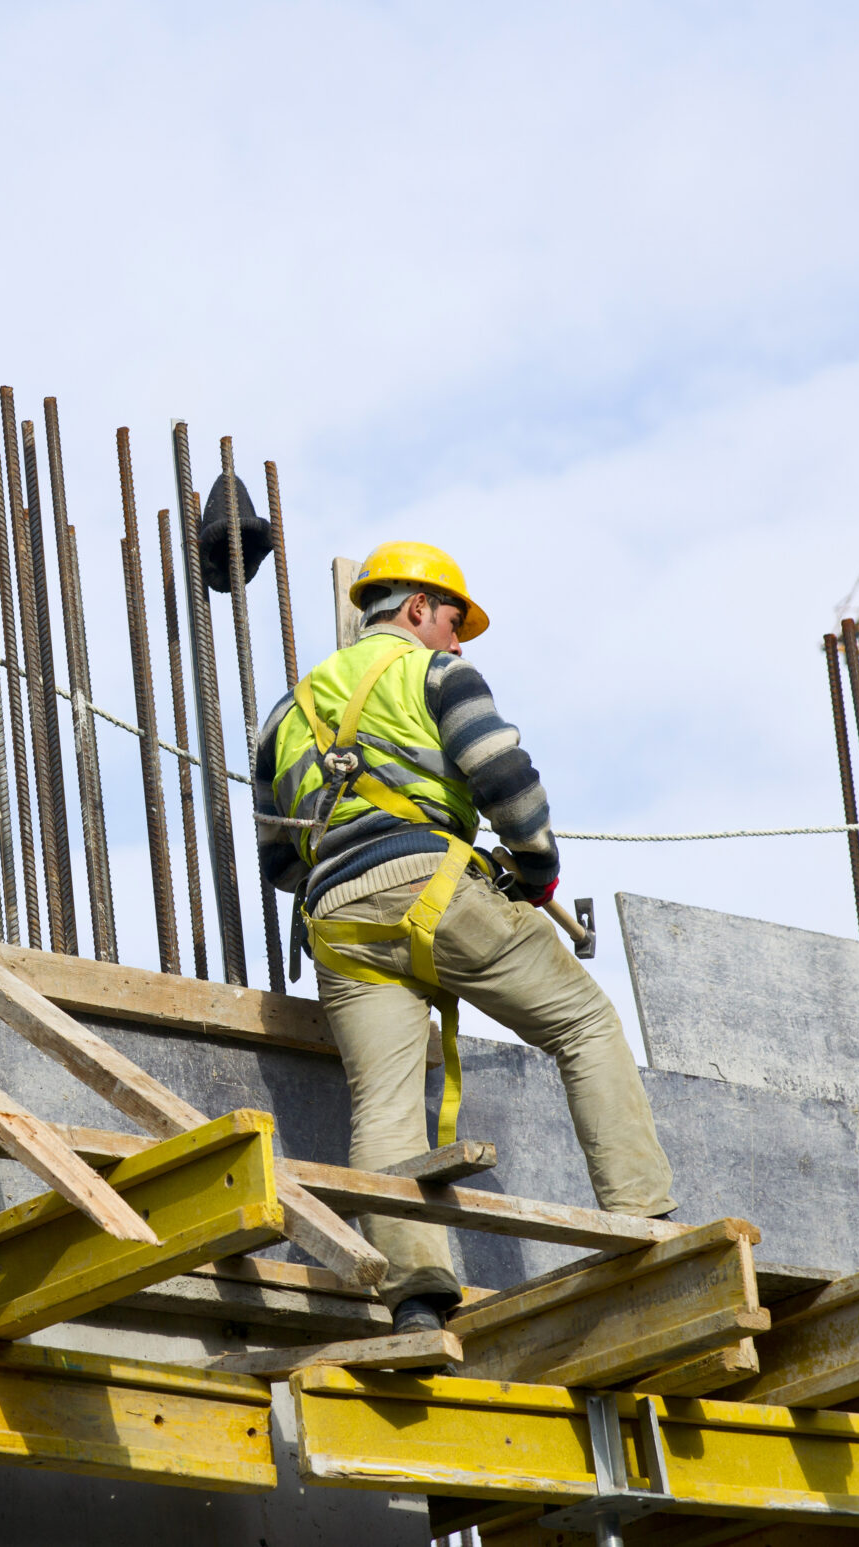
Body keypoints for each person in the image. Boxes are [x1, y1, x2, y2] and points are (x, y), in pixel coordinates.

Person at [253, 541, 675, 1333]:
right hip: (437, 890)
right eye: (452, 621)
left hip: (338, 921)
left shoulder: (284, 713)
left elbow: (278, 859)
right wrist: (538, 869)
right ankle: (646, 1220)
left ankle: (414, 1296)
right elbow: (503, 774)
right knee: (584, 1023)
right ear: (415, 609)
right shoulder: (435, 674)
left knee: (383, 1105)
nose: (457, 640)